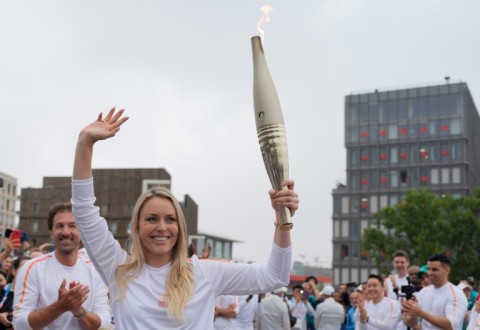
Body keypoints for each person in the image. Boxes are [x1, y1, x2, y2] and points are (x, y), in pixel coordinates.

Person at [71, 108, 299, 328]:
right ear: (137, 227)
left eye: (170, 219)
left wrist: (282, 219)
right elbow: (84, 212)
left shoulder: (205, 273)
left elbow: (274, 276)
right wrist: (85, 143)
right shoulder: (118, 268)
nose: (162, 227)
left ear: (180, 227)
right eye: (151, 219)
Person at [12, 202, 112, 330]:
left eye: (72, 226)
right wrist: (60, 307)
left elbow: (105, 325)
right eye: (59, 226)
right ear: (51, 233)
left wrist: (79, 311)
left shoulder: (96, 271)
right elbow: (19, 324)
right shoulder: (32, 268)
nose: (66, 232)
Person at [402, 254, 468, 330]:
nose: (430, 273)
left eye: (434, 269)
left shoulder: (456, 294)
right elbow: (412, 324)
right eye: (428, 269)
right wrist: (410, 313)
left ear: (447, 270)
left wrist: (420, 312)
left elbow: (451, 325)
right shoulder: (423, 292)